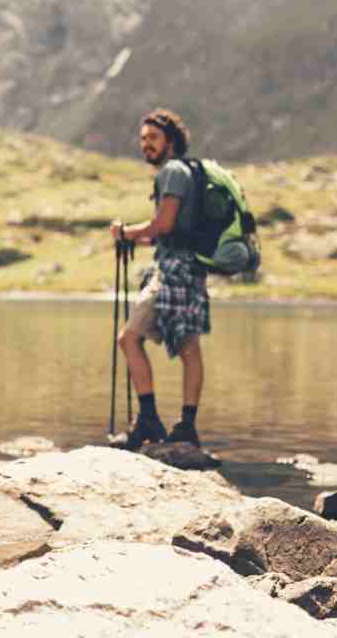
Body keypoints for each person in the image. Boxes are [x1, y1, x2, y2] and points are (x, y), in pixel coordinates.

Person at [109, 109, 209, 450]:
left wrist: (126, 231)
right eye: (143, 140)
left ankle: (150, 420)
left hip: (174, 273)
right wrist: (137, 237)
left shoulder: (172, 172)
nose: (146, 145)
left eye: (153, 138)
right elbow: (171, 231)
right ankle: (185, 426)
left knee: (129, 338)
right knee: (188, 347)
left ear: (170, 141)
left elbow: (164, 224)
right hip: (190, 269)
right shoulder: (186, 173)